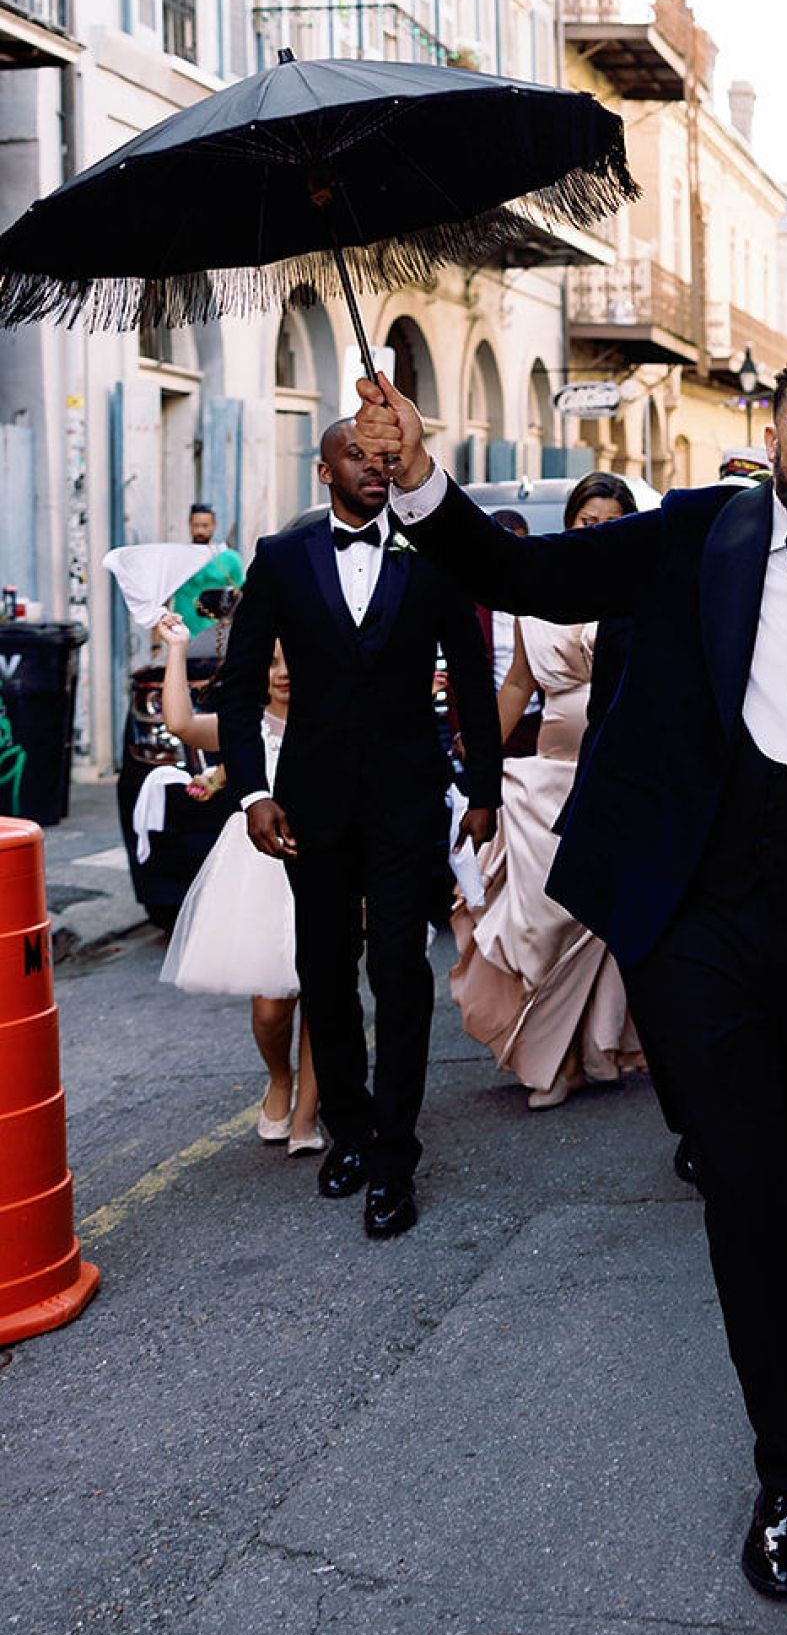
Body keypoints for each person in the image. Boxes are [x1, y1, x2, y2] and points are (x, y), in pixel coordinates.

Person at [355, 354, 787, 1602]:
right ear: (774, 432)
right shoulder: (700, 527)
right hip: (695, 916)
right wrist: (420, 475)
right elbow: (527, 573)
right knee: (746, 1180)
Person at [216, 414, 501, 1241]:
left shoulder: (430, 553)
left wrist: (480, 786)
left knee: (400, 971)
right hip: (311, 804)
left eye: (386, 457)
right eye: (359, 456)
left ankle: (395, 1157)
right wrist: (251, 794)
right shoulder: (280, 559)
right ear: (323, 469)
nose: (376, 467)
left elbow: (473, 680)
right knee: (325, 969)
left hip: (409, 801)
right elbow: (238, 690)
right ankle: (347, 1127)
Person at [451, 471, 647, 1111]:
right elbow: (516, 685)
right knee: (543, 923)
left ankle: (596, 1048)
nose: (598, 532)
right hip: (545, 779)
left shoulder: (642, 589)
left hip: (617, 773)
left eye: (612, 522)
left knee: (600, 926)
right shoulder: (537, 594)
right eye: (587, 522)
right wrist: (481, 749)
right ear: (569, 527)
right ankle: (548, 1060)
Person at [155, 610, 321, 1154]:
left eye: (291, 660)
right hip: (260, 869)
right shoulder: (244, 726)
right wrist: (176, 648)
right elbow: (181, 723)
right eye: (271, 662)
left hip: (324, 864)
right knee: (270, 1007)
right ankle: (279, 1076)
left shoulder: (332, 717)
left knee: (325, 993)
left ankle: (307, 1114)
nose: (282, 673)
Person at [169, 501, 245, 634]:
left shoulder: (229, 559)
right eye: (196, 525)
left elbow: (241, 598)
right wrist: (155, 643)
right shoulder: (177, 558)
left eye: (205, 526)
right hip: (182, 635)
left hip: (218, 636)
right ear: (189, 525)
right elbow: (163, 598)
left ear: (214, 525)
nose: (200, 530)